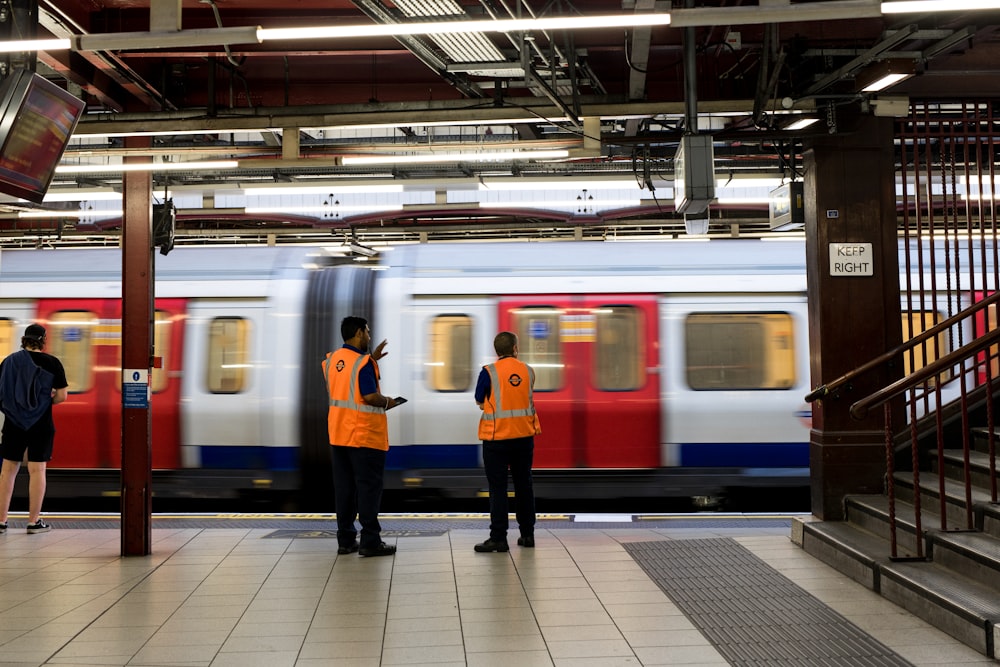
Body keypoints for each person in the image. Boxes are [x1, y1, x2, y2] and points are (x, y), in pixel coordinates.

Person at [322, 316, 398, 557]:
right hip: (364, 435)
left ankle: (345, 540)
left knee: (344, 489)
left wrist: (371, 359)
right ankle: (370, 541)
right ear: (357, 333)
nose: (369, 336)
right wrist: (390, 402)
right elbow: (368, 396)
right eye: (367, 331)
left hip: (339, 435)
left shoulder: (331, 360)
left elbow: (347, 385)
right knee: (368, 489)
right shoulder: (364, 363)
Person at [474, 331, 542, 553]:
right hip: (524, 437)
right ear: (515, 348)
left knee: (498, 489)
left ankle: (499, 539)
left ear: (497, 351)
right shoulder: (528, 371)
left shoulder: (488, 372)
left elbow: (478, 400)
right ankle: (527, 535)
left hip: (497, 439)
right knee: (524, 485)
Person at [0, 324, 68, 535]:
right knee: (37, 470)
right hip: (41, 424)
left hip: (13, 422)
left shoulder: (9, 362)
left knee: (7, 471)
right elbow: (62, 396)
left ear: (24, 339)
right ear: (43, 340)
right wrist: (44, 402)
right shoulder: (53, 363)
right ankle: (33, 522)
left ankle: (1, 522)